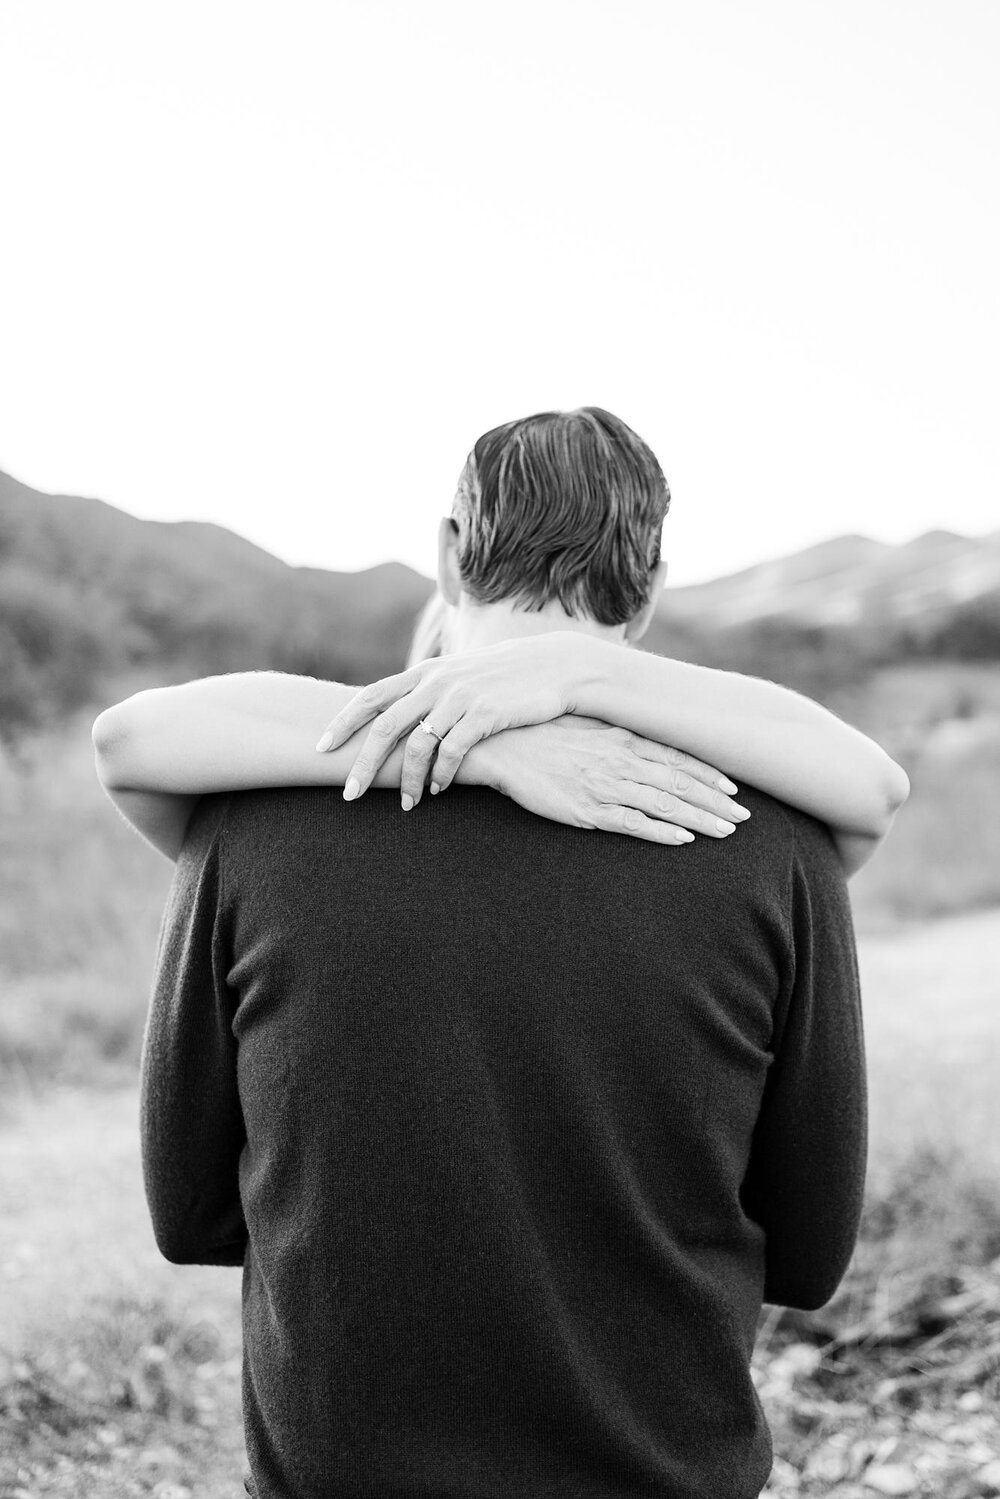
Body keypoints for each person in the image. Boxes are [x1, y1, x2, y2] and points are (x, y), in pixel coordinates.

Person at [94, 408, 906, 1499]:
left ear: (447, 550)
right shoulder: (771, 844)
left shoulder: (244, 834)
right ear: (651, 581)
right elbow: (810, 1247)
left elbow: (189, 1207)